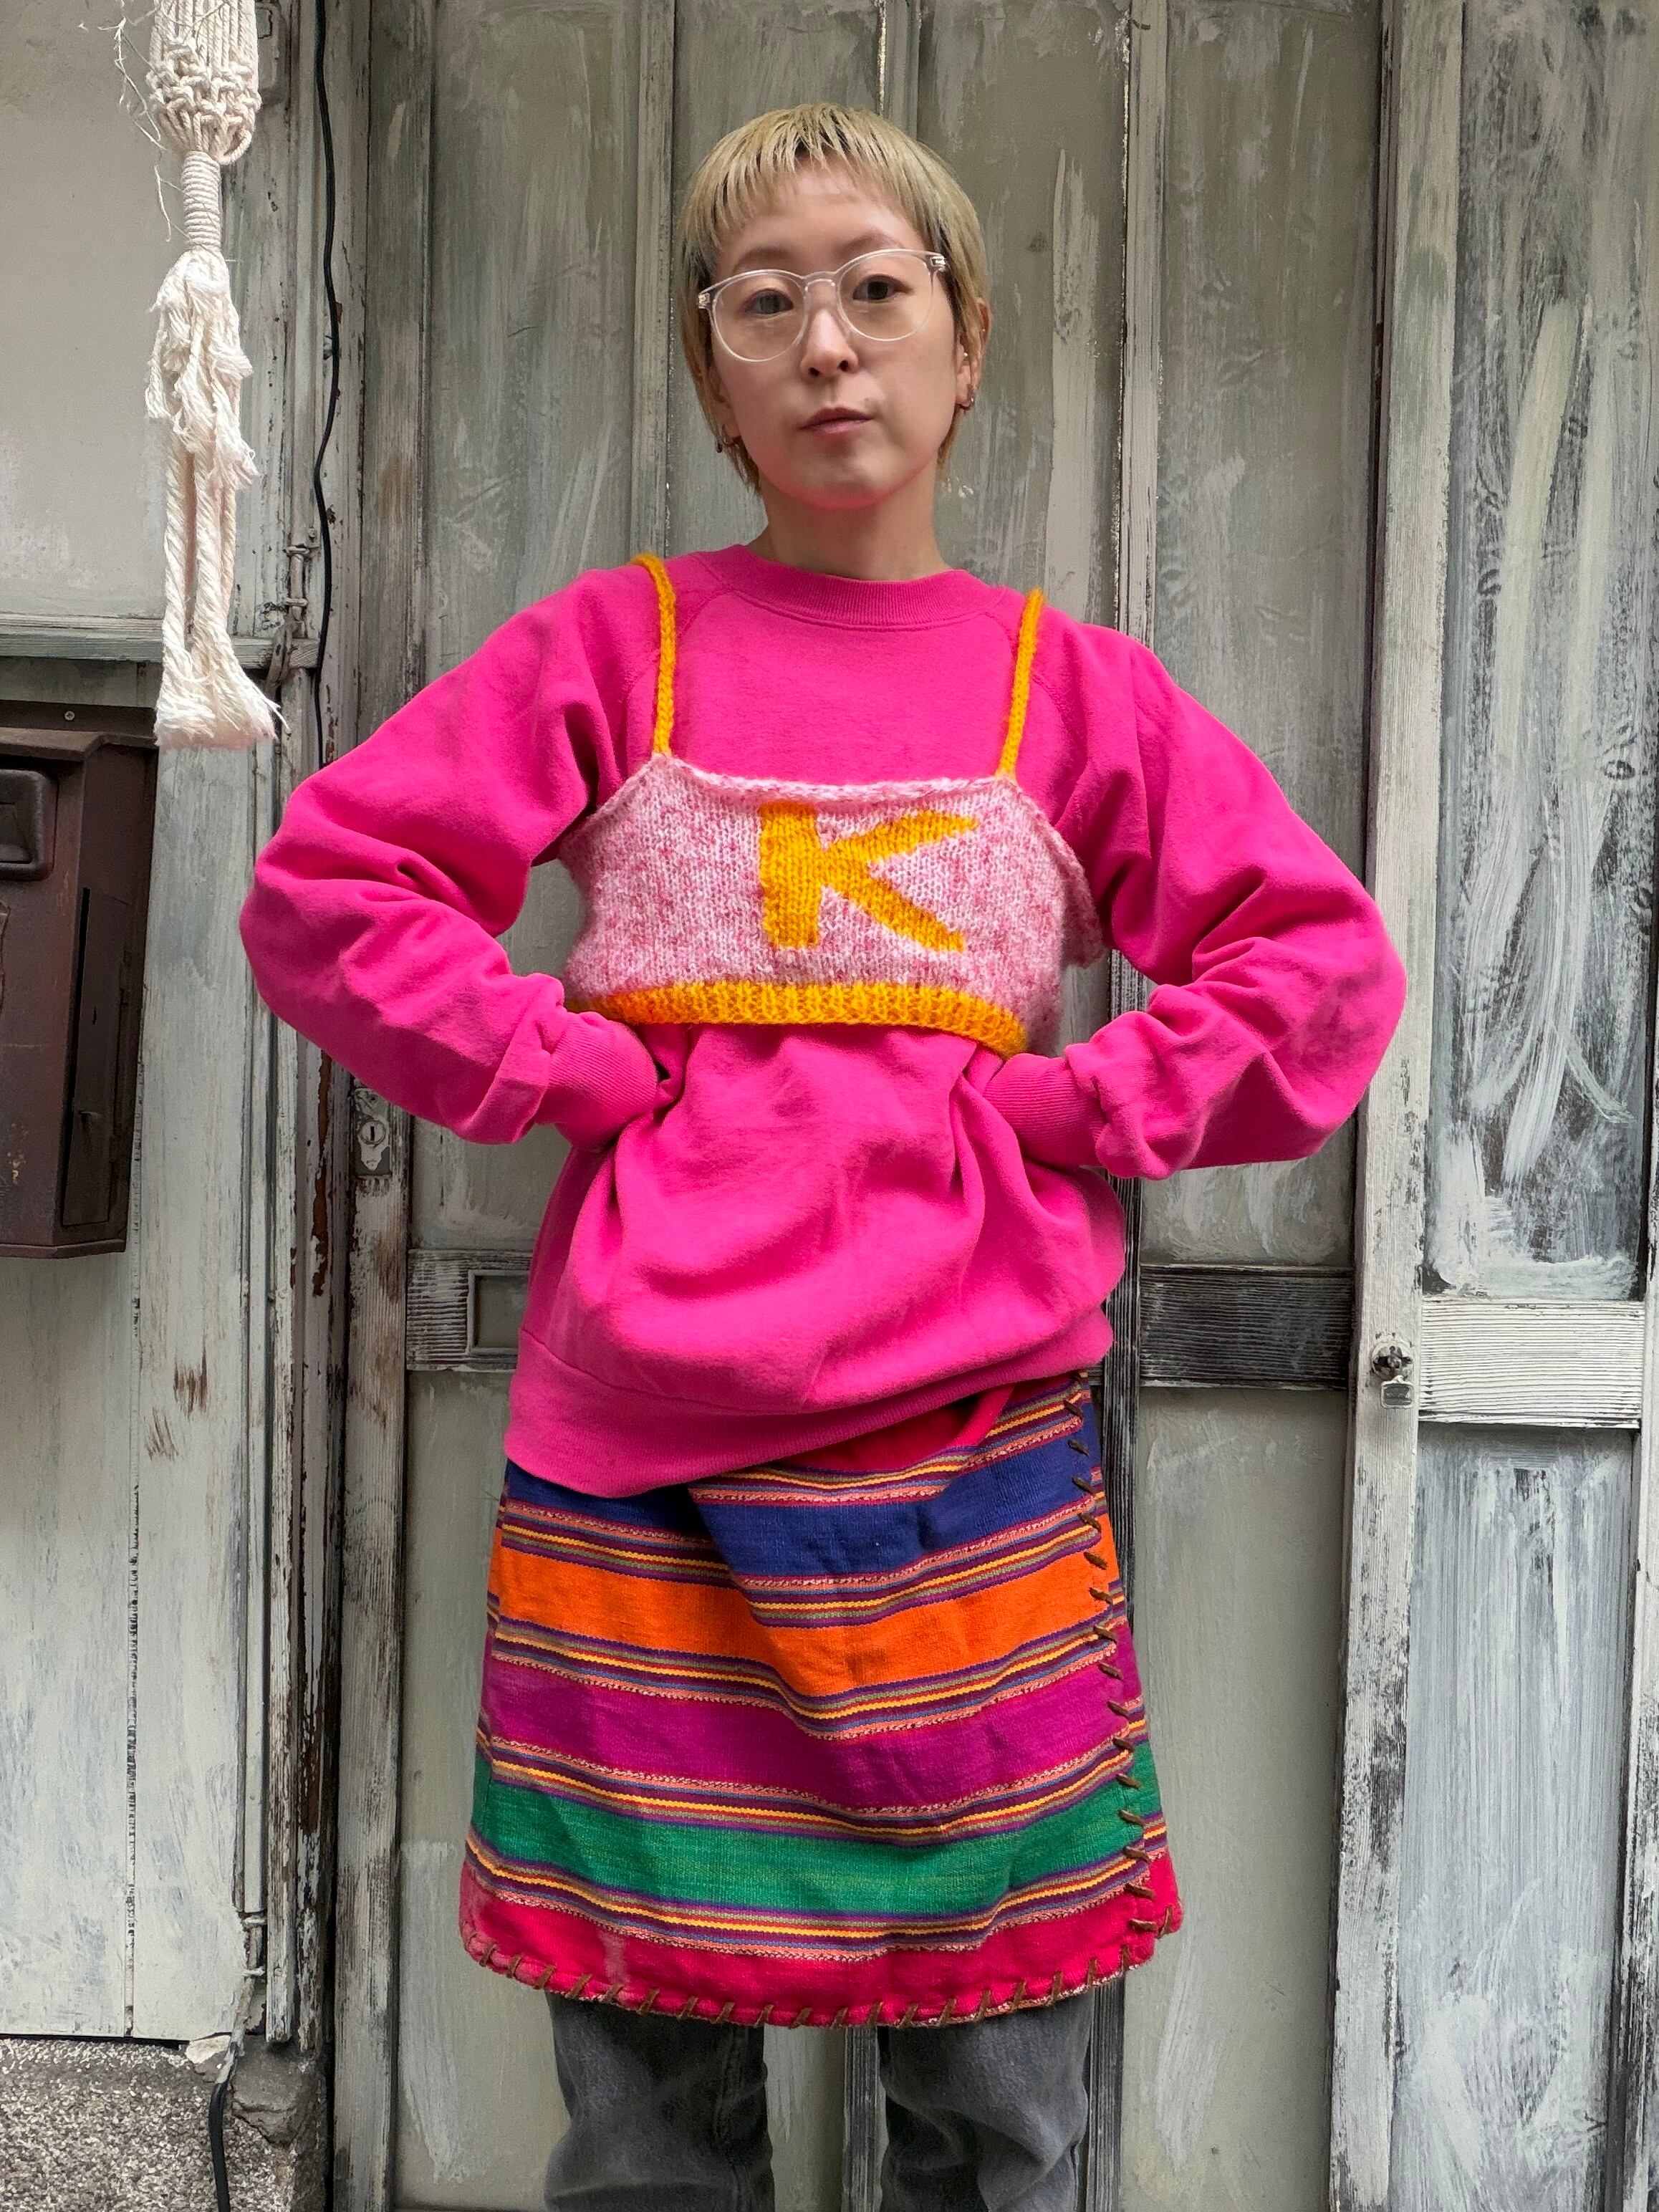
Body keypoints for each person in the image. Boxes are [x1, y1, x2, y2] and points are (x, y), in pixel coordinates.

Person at [239, 100, 1405, 2212]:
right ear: (712, 376)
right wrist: (561, 1067)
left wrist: (1068, 1106)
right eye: (762, 303)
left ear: (968, 341)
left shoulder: (1076, 690)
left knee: (999, 2106)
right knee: (645, 2121)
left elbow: (1315, 970)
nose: (827, 344)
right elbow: (331, 894)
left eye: (876, 289)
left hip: (975, 1462)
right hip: (643, 1467)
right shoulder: (613, 647)